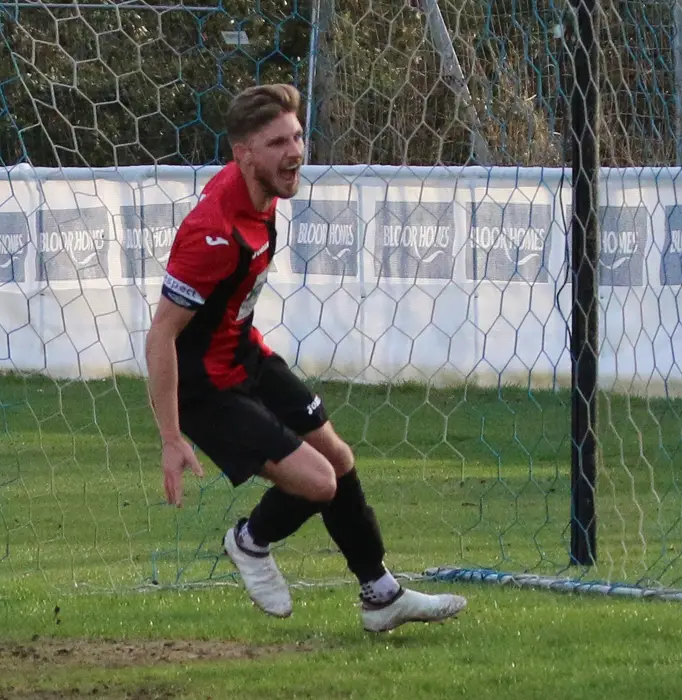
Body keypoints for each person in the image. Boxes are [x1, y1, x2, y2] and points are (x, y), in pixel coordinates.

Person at [144, 83, 467, 633]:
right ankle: (249, 542)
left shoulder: (264, 192)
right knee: (318, 482)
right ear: (243, 153)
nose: (295, 151)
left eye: (297, 136)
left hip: (245, 352)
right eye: (277, 143)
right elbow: (160, 338)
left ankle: (381, 594)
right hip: (207, 388)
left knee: (338, 458)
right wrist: (173, 439)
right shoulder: (212, 234)